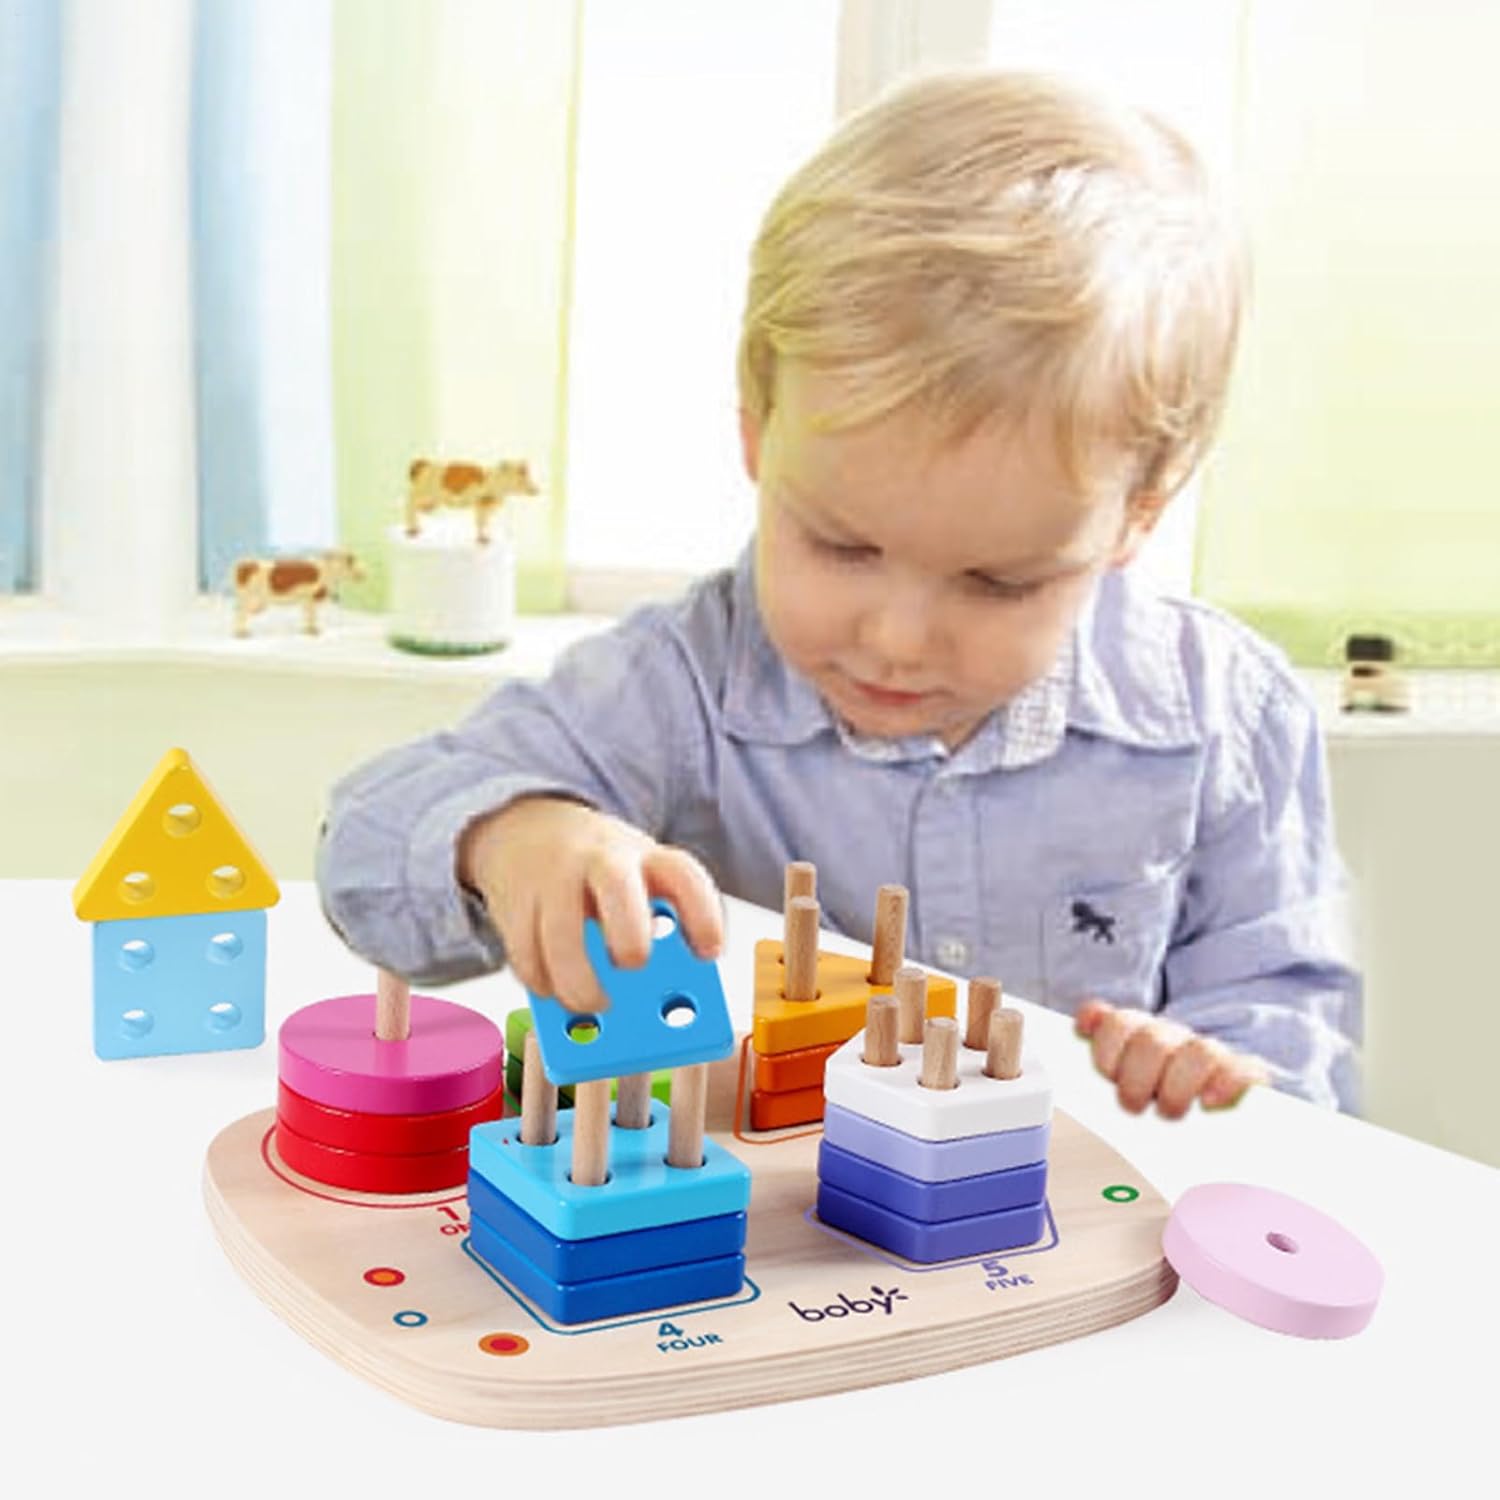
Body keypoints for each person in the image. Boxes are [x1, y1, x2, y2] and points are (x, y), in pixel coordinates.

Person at [317, 71, 1361, 1117]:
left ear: (1138, 513)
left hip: (1069, 1205)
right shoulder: (681, 685)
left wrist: (1219, 1078)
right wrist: (509, 836)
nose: (898, 639)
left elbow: (1291, 1031)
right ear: (758, 434)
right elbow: (363, 851)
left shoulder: (1226, 718)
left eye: (997, 582)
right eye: (842, 546)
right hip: (783, 1213)